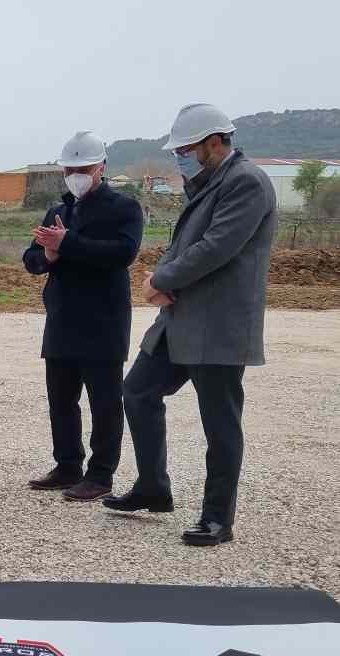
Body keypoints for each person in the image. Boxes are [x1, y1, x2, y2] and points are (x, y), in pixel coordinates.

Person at [104, 104, 278, 546]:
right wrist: (159, 280)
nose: (182, 157)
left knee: (219, 422)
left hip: (218, 324)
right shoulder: (207, 183)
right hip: (180, 316)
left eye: (187, 149)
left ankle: (218, 518)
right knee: (139, 390)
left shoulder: (246, 182)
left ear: (215, 142)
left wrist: (161, 279)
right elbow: (183, 244)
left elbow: (216, 247)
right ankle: (152, 487)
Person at [23, 131, 143, 502]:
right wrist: (49, 257)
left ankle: (101, 474)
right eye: (69, 169)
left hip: (103, 321)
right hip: (62, 318)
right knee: (61, 400)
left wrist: (67, 243)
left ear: (101, 168)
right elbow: (31, 259)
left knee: (104, 402)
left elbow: (123, 253)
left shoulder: (124, 208)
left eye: (83, 168)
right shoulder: (58, 211)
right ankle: (67, 465)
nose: (75, 174)